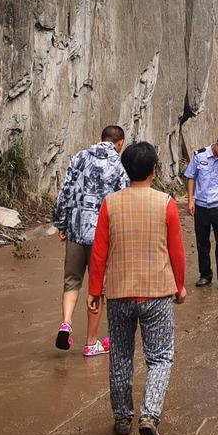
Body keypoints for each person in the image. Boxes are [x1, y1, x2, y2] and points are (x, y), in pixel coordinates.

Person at [87, 141, 187, 435]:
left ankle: (122, 417)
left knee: (120, 355)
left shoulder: (110, 204)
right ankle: (149, 415)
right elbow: (176, 250)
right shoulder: (166, 203)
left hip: (119, 293)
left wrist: (95, 291)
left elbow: (99, 252)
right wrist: (180, 285)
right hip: (157, 292)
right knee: (160, 357)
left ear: (126, 169)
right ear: (154, 170)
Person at [50, 124, 128, 356]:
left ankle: (66, 323)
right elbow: (122, 201)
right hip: (100, 236)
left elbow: (65, 192)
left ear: (100, 138)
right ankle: (91, 343)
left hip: (75, 228)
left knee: (71, 280)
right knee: (97, 287)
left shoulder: (80, 157)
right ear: (120, 143)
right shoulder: (119, 165)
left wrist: (61, 223)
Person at [184, 132, 218, 291]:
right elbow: (191, 177)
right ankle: (205, 275)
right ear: (217, 145)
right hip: (201, 206)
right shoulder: (199, 156)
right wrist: (191, 200)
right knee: (202, 242)